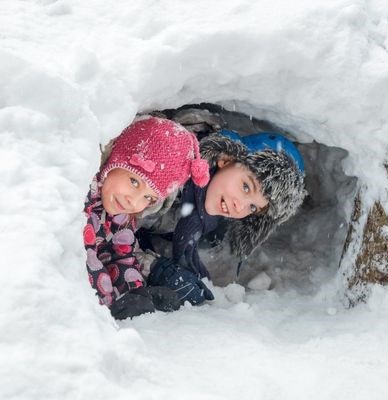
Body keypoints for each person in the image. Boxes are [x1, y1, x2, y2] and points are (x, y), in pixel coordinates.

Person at [142, 127, 306, 300]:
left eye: (253, 208)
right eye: (246, 187)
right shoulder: (169, 174)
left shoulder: (210, 219)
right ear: (225, 159)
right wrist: (152, 267)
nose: (240, 206)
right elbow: (117, 223)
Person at [83, 115, 210, 320]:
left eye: (148, 197)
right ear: (116, 159)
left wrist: (137, 292)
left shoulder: (121, 212)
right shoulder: (81, 196)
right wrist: (111, 302)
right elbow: (82, 262)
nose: (134, 201)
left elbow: (119, 255)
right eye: (134, 182)